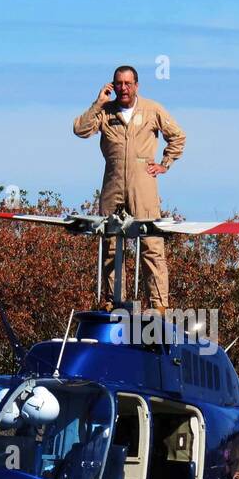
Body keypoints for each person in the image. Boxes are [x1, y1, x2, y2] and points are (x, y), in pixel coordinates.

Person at [73, 65, 185, 311]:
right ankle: (116, 302)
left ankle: (159, 305)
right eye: (118, 84)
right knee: (111, 242)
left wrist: (165, 163)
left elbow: (178, 136)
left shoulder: (152, 109)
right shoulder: (106, 112)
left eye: (128, 84)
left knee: (151, 242)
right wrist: (98, 103)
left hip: (142, 183)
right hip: (112, 182)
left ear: (136, 85)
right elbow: (80, 130)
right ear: (112, 86)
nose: (123, 88)